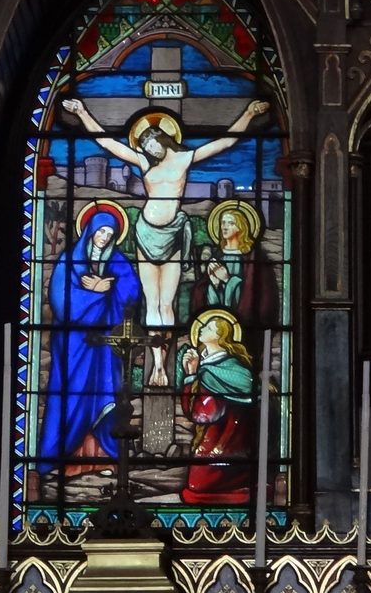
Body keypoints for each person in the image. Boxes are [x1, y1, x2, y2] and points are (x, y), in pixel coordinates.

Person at [62, 96, 268, 387]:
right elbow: (109, 144)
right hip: (146, 233)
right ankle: (156, 366)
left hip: (172, 234)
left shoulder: (185, 158)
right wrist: (83, 113)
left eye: (150, 144)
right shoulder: (144, 162)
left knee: (166, 303)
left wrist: (248, 113)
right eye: (144, 147)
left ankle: (162, 367)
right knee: (151, 302)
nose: (147, 150)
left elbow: (224, 142)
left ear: (163, 139)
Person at [38, 202, 142, 478]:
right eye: (101, 232)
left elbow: (131, 294)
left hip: (107, 345)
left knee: (106, 394)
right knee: (73, 395)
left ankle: (106, 459)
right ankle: (66, 458)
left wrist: (108, 289)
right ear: (90, 230)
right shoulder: (69, 260)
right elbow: (62, 302)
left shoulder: (118, 261)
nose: (105, 238)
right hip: (75, 344)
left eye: (110, 233)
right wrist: (97, 292)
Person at [178, 310, 257, 505]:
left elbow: (204, 413)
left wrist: (194, 374)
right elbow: (193, 412)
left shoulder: (231, 368)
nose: (202, 328)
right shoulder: (204, 366)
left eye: (209, 327)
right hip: (214, 437)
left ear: (220, 336)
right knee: (196, 484)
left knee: (199, 485)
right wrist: (191, 375)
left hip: (229, 439)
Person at [190, 199, 279, 340]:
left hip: (246, 329)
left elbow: (263, 297)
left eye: (230, 223)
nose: (224, 227)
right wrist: (213, 285)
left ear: (241, 227)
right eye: (223, 223)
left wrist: (227, 280)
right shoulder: (217, 256)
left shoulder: (255, 258)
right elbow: (201, 297)